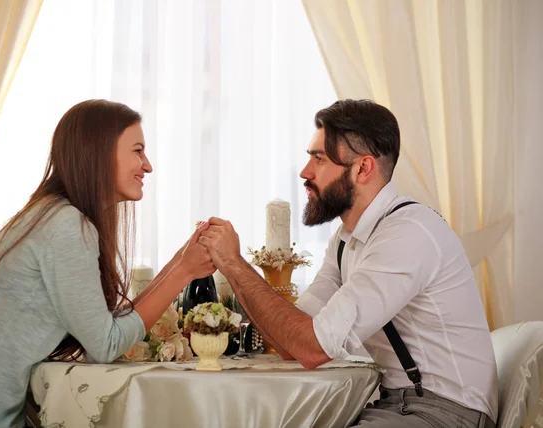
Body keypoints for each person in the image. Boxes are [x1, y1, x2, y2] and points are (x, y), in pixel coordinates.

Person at [198, 99, 497, 428]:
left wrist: (235, 263)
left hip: (447, 412)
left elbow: (312, 349)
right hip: (394, 405)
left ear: (363, 168)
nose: (305, 172)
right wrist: (231, 266)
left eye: (319, 159)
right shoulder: (346, 240)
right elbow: (290, 344)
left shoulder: (406, 234)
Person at [0, 99, 215, 427]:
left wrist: (178, 263)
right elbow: (107, 344)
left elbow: (104, 326)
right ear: (99, 153)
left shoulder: (50, 214)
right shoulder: (66, 225)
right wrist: (183, 272)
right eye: (138, 150)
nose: (148, 165)